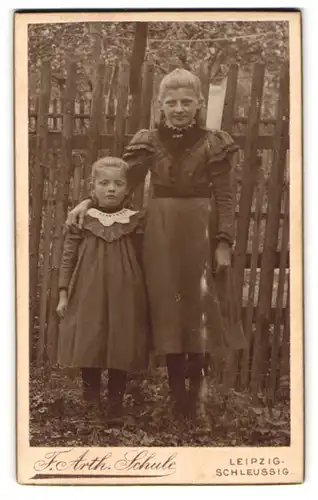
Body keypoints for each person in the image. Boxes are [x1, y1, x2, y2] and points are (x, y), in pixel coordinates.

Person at [65, 68, 245, 422]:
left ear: (198, 105)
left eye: (187, 102)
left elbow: (225, 197)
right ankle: (177, 396)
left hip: (200, 232)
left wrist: (224, 242)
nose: (179, 108)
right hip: (160, 233)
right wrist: (87, 202)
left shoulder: (214, 142)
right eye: (171, 102)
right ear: (161, 105)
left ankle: (196, 400)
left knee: (199, 311)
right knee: (168, 310)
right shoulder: (149, 140)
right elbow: (124, 182)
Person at [56, 156, 148, 423]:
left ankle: (115, 405)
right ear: (92, 187)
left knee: (121, 342)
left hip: (126, 292)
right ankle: (91, 402)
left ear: (127, 188)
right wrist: (63, 293)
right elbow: (67, 257)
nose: (111, 189)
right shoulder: (82, 219)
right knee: (90, 340)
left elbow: (144, 259)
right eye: (104, 183)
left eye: (118, 184)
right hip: (88, 290)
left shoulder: (135, 220)